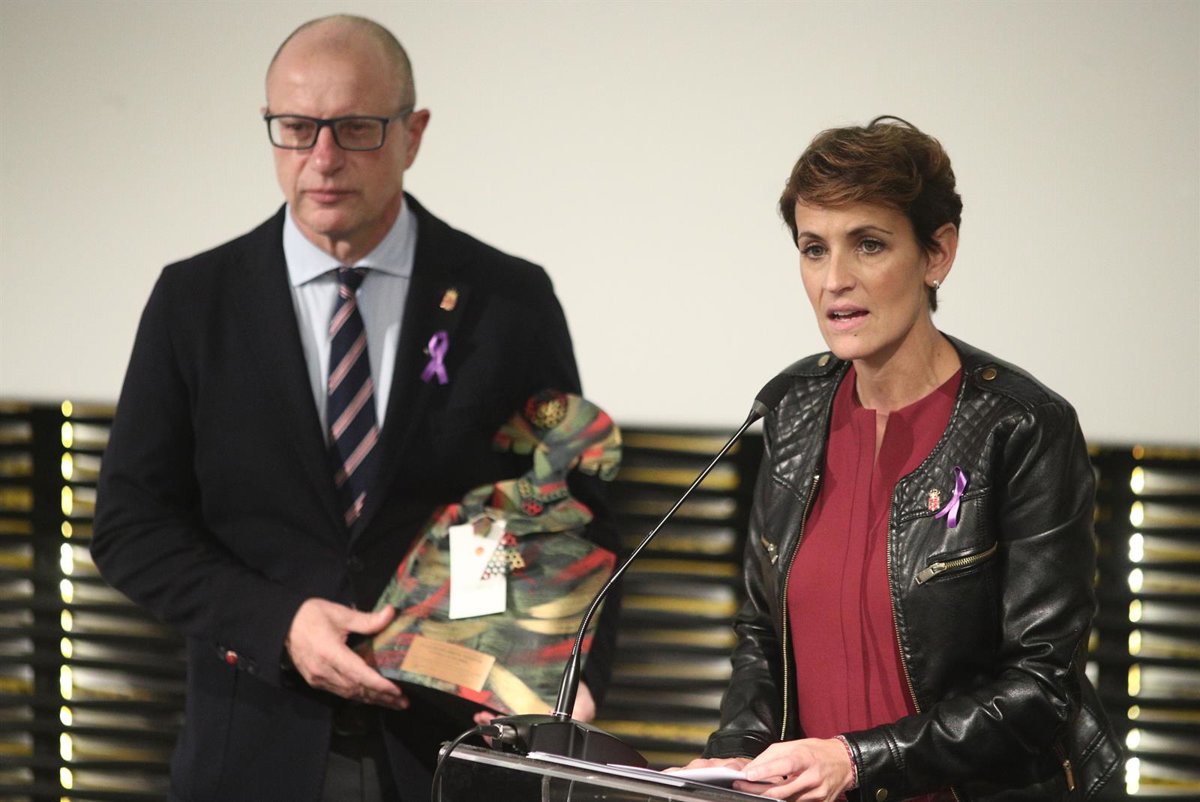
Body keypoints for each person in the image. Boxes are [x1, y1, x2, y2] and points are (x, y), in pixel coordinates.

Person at [91, 14, 618, 802]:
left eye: (356, 128)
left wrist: (563, 670)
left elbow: (571, 510)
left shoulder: (508, 299)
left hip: (453, 748)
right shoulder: (195, 302)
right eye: (297, 128)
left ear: (413, 133)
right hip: (253, 746)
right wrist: (279, 623)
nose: (323, 157)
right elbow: (132, 525)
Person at [683, 117, 1122, 801]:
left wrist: (859, 760)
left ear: (936, 254)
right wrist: (735, 767)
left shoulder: (1023, 428)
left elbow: (1041, 688)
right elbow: (762, 637)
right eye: (814, 249)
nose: (835, 280)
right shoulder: (793, 409)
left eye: (869, 245)